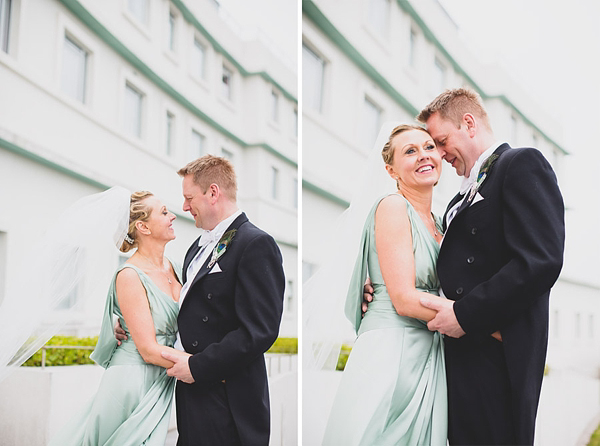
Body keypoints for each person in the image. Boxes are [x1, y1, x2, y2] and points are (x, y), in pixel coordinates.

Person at [365, 88, 565, 445]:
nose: (438, 154)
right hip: (455, 357)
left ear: (469, 124)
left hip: (495, 356)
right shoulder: (458, 197)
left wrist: (466, 314)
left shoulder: (520, 163)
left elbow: (540, 260)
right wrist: (379, 282)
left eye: (440, 142)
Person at [321, 125, 449, 445]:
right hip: (392, 351)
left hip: (432, 352)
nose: (423, 155)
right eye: (410, 151)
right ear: (391, 170)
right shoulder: (392, 207)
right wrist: (471, 317)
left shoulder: (443, 223)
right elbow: (404, 299)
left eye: (428, 146)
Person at [158, 155, 286, 446]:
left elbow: (259, 331)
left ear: (213, 192)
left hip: (228, 399)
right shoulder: (195, 248)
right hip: (192, 396)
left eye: (189, 198)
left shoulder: (255, 243)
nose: (185, 207)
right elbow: (185, 309)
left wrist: (198, 367)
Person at [49, 190, 191, 445]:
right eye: (163, 212)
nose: (173, 216)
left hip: (162, 378)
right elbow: (147, 349)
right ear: (143, 227)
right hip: (132, 381)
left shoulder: (178, 268)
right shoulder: (129, 275)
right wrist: (206, 366)